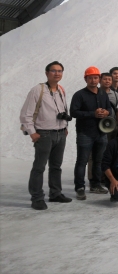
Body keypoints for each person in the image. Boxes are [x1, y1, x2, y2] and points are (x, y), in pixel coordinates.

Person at [20, 61, 72, 210]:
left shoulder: (61, 90)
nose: (57, 73)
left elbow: (63, 110)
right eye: (53, 71)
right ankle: (37, 198)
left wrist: (65, 126)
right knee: (39, 167)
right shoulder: (38, 90)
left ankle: (55, 193)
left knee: (56, 166)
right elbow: (26, 114)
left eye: (60, 71)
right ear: (46, 73)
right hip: (44, 134)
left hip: (60, 133)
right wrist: (32, 133)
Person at [70, 66, 113, 200]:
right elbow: (73, 112)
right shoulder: (79, 95)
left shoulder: (102, 93)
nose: (93, 80)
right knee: (82, 161)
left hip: (101, 133)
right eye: (90, 78)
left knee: (98, 161)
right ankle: (80, 188)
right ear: (85, 79)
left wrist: (107, 112)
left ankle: (95, 184)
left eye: (95, 77)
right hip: (85, 133)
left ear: (99, 79)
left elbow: (109, 108)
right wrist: (92, 114)